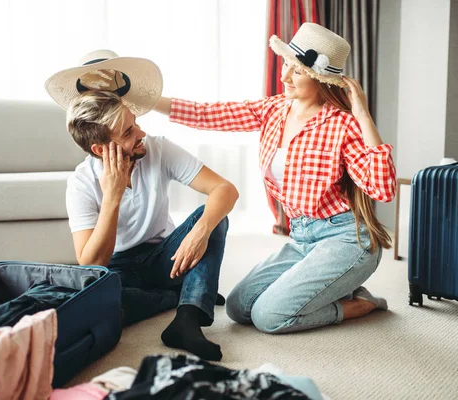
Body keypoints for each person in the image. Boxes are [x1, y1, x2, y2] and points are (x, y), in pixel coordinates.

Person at [153, 23, 396, 334]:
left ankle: (358, 304)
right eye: (285, 65)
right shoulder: (273, 110)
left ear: (320, 79)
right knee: (239, 307)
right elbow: (206, 113)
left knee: (269, 317)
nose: (283, 77)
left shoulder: (343, 125)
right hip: (301, 238)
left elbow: (383, 188)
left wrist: (362, 115)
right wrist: (146, 100)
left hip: (346, 239)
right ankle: (333, 286)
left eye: (295, 71)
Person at [45, 50, 239, 360]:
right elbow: (91, 263)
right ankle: (175, 293)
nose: (142, 133)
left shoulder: (158, 149)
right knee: (98, 296)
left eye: (135, 124)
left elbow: (224, 189)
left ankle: (187, 318)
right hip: (120, 267)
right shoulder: (81, 184)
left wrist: (200, 232)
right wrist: (112, 197)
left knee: (213, 216)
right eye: (128, 132)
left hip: (167, 256)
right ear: (100, 148)